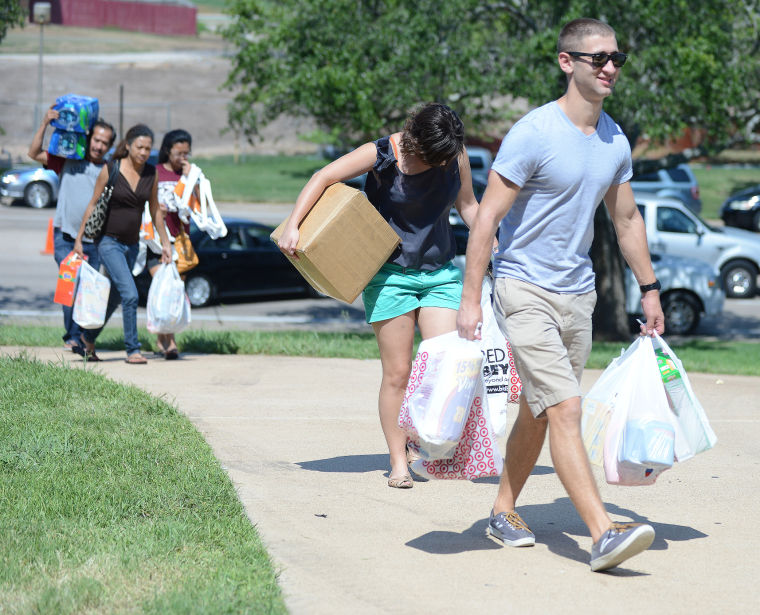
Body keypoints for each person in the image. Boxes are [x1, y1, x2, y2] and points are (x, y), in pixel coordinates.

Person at [456, 18, 665, 572]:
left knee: (542, 410)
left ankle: (502, 509)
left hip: (578, 296)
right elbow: (487, 218)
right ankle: (602, 534)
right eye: (598, 58)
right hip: (523, 288)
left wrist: (650, 289)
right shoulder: (534, 133)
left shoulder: (614, 138)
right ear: (567, 62)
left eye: (617, 57)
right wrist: (471, 297)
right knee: (566, 407)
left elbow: (626, 220)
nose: (611, 67)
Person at [279, 103, 479, 489]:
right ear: (415, 140)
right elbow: (323, 177)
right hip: (390, 275)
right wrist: (294, 225)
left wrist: (493, 243)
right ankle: (398, 459)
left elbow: (468, 205)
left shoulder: (454, 155)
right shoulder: (384, 154)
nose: (441, 163)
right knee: (398, 373)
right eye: (433, 155)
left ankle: (423, 441)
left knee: (442, 367)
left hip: (439, 274)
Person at [74, 124, 172, 364]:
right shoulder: (112, 169)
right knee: (130, 294)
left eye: (148, 148)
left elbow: (156, 210)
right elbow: (92, 203)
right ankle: (133, 350)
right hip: (107, 241)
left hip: (131, 244)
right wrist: (79, 238)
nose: (144, 152)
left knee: (116, 297)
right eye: (139, 147)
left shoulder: (151, 173)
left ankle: (87, 339)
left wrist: (166, 242)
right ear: (128, 146)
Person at [28, 105, 116, 355]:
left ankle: (78, 336)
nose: (99, 146)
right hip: (66, 237)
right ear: (89, 139)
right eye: (96, 140)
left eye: (105, 143)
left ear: (109, 147)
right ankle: (73, 337)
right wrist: (45, 122)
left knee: (87, 290)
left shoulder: (109, 170)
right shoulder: (69, 158)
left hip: (94, 241)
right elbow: (33, 152)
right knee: (72, 284)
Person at [146, 128, 194, 360]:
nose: (183, 158)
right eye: (179, 153)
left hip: (179, 241)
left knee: (174, 292)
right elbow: (143, 202)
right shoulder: (155, 173)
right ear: (168, 151)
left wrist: (187, 178)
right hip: (155, 242)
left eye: (187, 153)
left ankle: (167, 339)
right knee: (162, 290)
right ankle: (166, 339)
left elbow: (196, 208)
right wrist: (156, 210)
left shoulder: (189, 176)